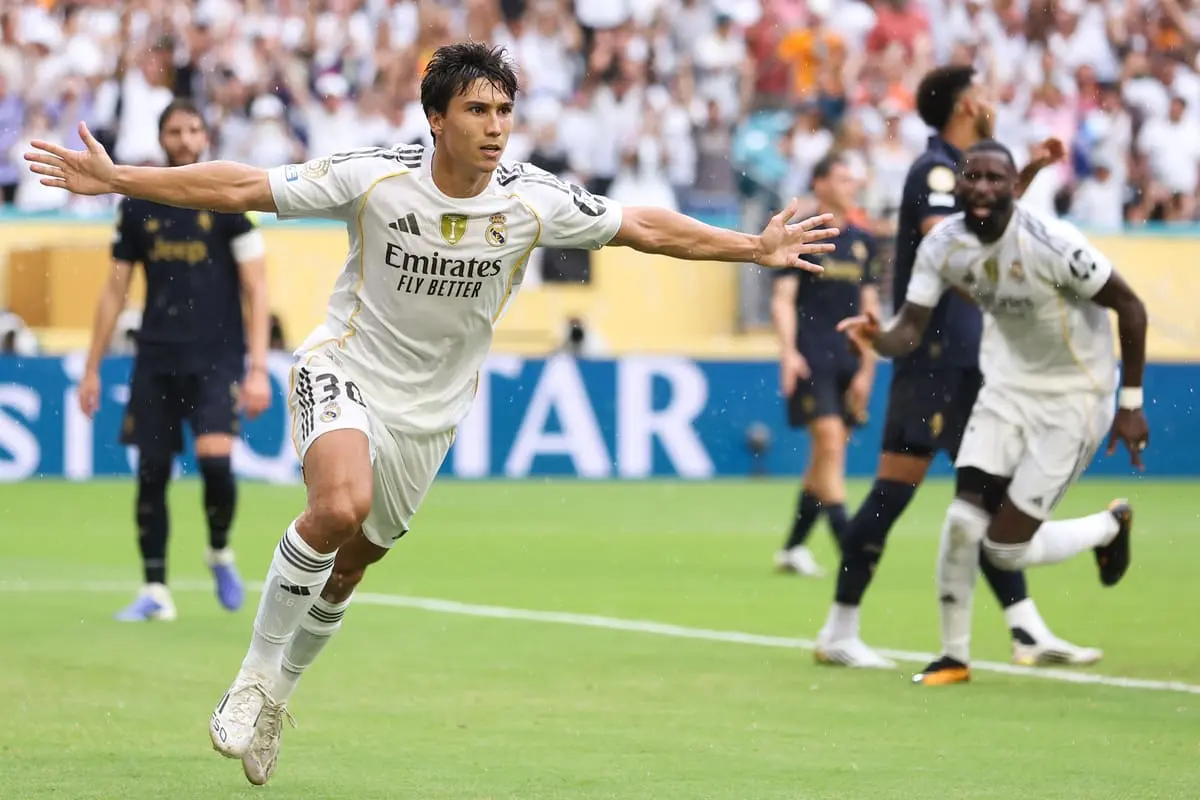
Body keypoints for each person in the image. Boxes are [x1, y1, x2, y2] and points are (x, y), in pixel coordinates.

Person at [26, 43, 839, 786]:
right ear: (437, 120)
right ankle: (252, 676)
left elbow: (641, 227)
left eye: (504, 111)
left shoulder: (533, 199)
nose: (495, 128)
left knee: (351, 568)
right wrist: (121, 178)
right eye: (478, 111)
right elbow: (244, 185)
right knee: (336, 508)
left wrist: (748, 246)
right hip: (344, 367)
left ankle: (279, 695)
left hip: (432, 413)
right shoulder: (377, 175)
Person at [812, 65, 1103, 674]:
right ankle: (840, 627)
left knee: (984, 499)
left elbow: (984, 223)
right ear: (968, 102)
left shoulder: (960, 169)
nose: (994, 99)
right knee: (900, 492)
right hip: (938, 357)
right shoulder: (936, 169)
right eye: (987, 92)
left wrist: (1025, 176)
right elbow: (960, 241)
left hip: (965, 358)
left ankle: (1025, 631)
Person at [838, 139, 1147, 685]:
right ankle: (954, 657)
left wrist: (1130, 404)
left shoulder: (1053, 243)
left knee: (1004, 549)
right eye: (972, 177)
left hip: (1076, 395)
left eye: (994, 179)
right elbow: (910, 327)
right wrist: (878, 340)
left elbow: (1130, 305)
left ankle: (1107, 526)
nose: (981, 188)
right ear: (959, 185)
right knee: (962, 522)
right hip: (1005, 388)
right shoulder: (944, 246)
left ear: (1011, 188)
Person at [78, 98, 272, 622]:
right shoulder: (138, 202)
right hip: (156, 356)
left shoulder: (230, 200)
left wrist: (258, 368)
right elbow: (114, 291)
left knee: (215, 461)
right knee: (152, 473)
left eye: (193, 129)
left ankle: (218, 551)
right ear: (162, 138)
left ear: (205, 135)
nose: (185, 140)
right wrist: (92, 367)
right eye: (175, 131)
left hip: (217, 357)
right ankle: (156, 592)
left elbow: (257, 289)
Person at [771, 154, 880, 577]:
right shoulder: (800, 234)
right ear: (819, 184)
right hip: (812, 355)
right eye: (842, 178)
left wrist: (868, 368)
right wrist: (788, 351)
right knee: (831, 447)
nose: (851, 184)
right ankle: (848, 542)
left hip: (849, 359)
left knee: (825, 458)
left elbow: (869, 308)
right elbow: (781, 300)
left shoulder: (864, 241)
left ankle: (793, 547)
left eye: (854, 179)